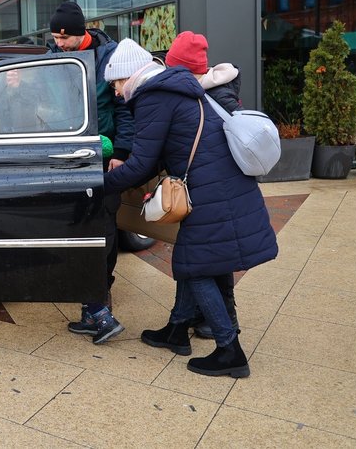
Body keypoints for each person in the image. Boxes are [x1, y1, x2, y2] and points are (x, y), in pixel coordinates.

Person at [102, 39, 277, 378]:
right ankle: (177, 330)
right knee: (207, 260)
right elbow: (159, 153)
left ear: (131, 75)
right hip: (222, 185)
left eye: (117, 83)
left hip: (213, 191)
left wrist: (102, 185)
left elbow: (140, 164)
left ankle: (230, 351)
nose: (117, 92)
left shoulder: (154, 96)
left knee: (194, 266)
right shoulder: (172, 89)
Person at [47, 1, 134, 344]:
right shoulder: (52, 57)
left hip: (102, 156)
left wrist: (121, 151)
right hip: (65, 156)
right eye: (54, 37)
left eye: (63, 38)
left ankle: (100, 298)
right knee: (77, 227)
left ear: (80, 33)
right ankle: (91, 305)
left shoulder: (109, 59)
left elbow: (124, 107)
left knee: (105, 227)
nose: (58, 44)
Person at [165, 31, 241, 338]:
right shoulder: (215, 90)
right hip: (219, 184)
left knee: (205, 257)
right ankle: (191, 319)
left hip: (216, 186)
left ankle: (225, 326)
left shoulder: (209, 96)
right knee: (215, 254)